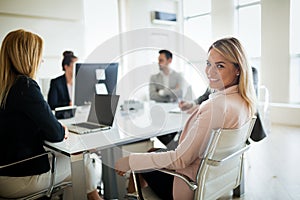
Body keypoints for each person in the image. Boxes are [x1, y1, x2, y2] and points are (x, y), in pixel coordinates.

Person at [115, 37, 257, 200]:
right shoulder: (245, 102)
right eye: (209, 64)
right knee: (152, 152)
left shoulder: (215, 106)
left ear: (238, 69)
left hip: (188, 186)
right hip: (214, 182)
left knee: (141, 162)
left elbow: (181, 159)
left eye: (220, 66)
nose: (210, 72)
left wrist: (130, 161)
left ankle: (131, 195)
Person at [0, 29, 102, 200]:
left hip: (5, 171)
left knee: (72, 163)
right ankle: (96, 198)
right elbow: (56, 134)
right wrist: (62, 130)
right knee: (82, 160)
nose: (41, 60)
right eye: (38, 55)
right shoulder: (25, 86)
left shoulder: (6, 86)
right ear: (28, 57)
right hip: (19, 178)